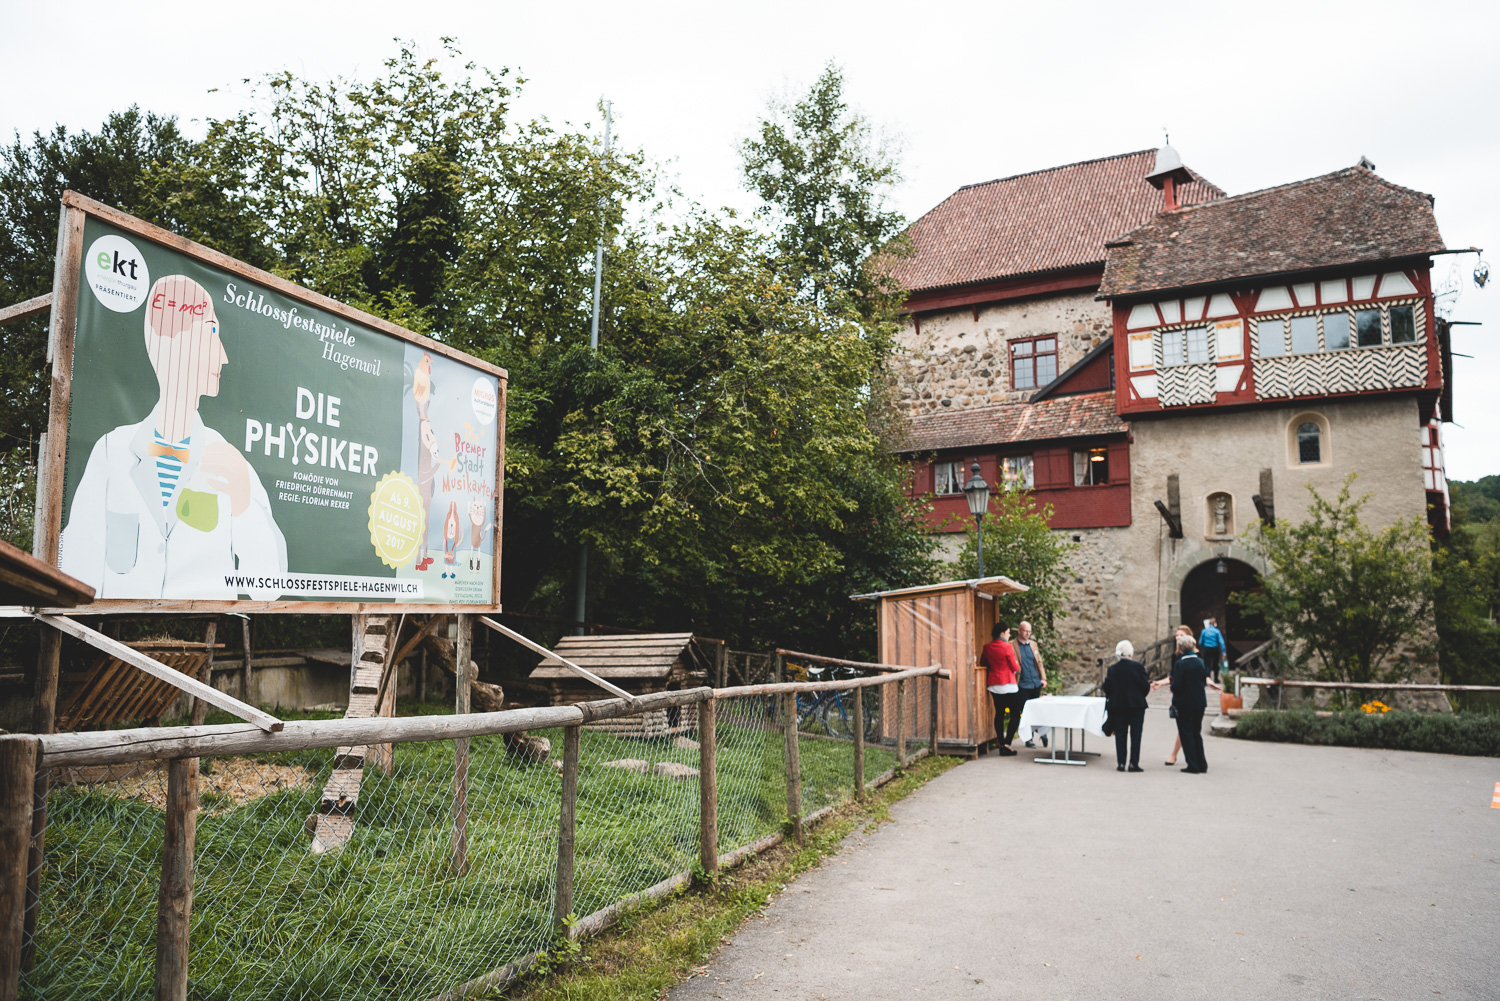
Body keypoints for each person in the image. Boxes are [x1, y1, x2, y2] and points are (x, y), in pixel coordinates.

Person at [60, 274, 287, 598]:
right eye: (211, 333)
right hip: (111, 633)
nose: (223, 355)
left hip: (204, 635)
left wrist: (242, 504)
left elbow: (270, 588)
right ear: (167, 343)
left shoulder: (227, 460)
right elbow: (76, 564)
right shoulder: (114, 450)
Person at [1153, 633, 1222, 773]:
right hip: (1199, 702)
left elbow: (1177, 685)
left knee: (1186, 733)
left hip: (1184, 703)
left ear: (1180, 648)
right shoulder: (1200, 662)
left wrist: (1172, 688)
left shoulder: (1181, 664)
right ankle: (1202, 763)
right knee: (1196, 732)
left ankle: (1193, 765)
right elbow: (1203, 678)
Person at [1102, 640, 1150, 772]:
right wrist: (1139, 696)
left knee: (1120, 734)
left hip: (1118, 706)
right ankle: (1134, 763)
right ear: (1131, 653)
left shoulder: (1112, 669)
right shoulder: (1138, 667)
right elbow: (1145, 686)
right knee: (1136, 734)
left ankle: (1121, 763)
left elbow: (1106, 687)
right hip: (1136, 705)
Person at [979, 622, 1023, 756]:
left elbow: (982, 663)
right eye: (1009, 632)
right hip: (1008, 684)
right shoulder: (1007, 647)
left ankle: (1001, 743)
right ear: (1002, 633)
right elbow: (1015, 667)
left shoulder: (987, 647)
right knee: (1015, 714)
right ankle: (1007, 743)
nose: (1010, 635)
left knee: (999, 714)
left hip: (994, 684)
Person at [1013, 620, 1049, 748]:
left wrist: (1043, 679)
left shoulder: (1033, 645)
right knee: (1026, 712)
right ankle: (1029, 739)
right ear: (1019, 631)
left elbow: (1039, 663)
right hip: (1022, 684)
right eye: (1025, 631)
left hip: (1035, 683)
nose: (1028, 633)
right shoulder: (1012, 645)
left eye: (1029, 631)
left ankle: (1042, 733)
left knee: (1037, 711)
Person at [1163, 624, 1194, 767]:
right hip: (1180, 694)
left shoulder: (1195, 655)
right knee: (1185, 727)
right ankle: (1178, 755)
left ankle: (1181, 756)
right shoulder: (1175, 656)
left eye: (1181, 635)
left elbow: (1202, 674)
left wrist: (1210, 681)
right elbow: (1173, 677)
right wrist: (1160, 683)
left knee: (1187, 728)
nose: (1177, 638)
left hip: (1191, 695)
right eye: (1176, 635)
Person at [1199, 617, 1227, 682]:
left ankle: (1207, 678)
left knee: (1207, 664)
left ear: (1209, 624)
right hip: (1215, 649)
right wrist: (1224, 652)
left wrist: (1202, 649)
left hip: (1207, 649)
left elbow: (1200, 642)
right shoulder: (1217, 631)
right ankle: (1216, 679)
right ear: (1214, 624)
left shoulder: (1204, 631)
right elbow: (1221, 642)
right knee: (1215, 664)